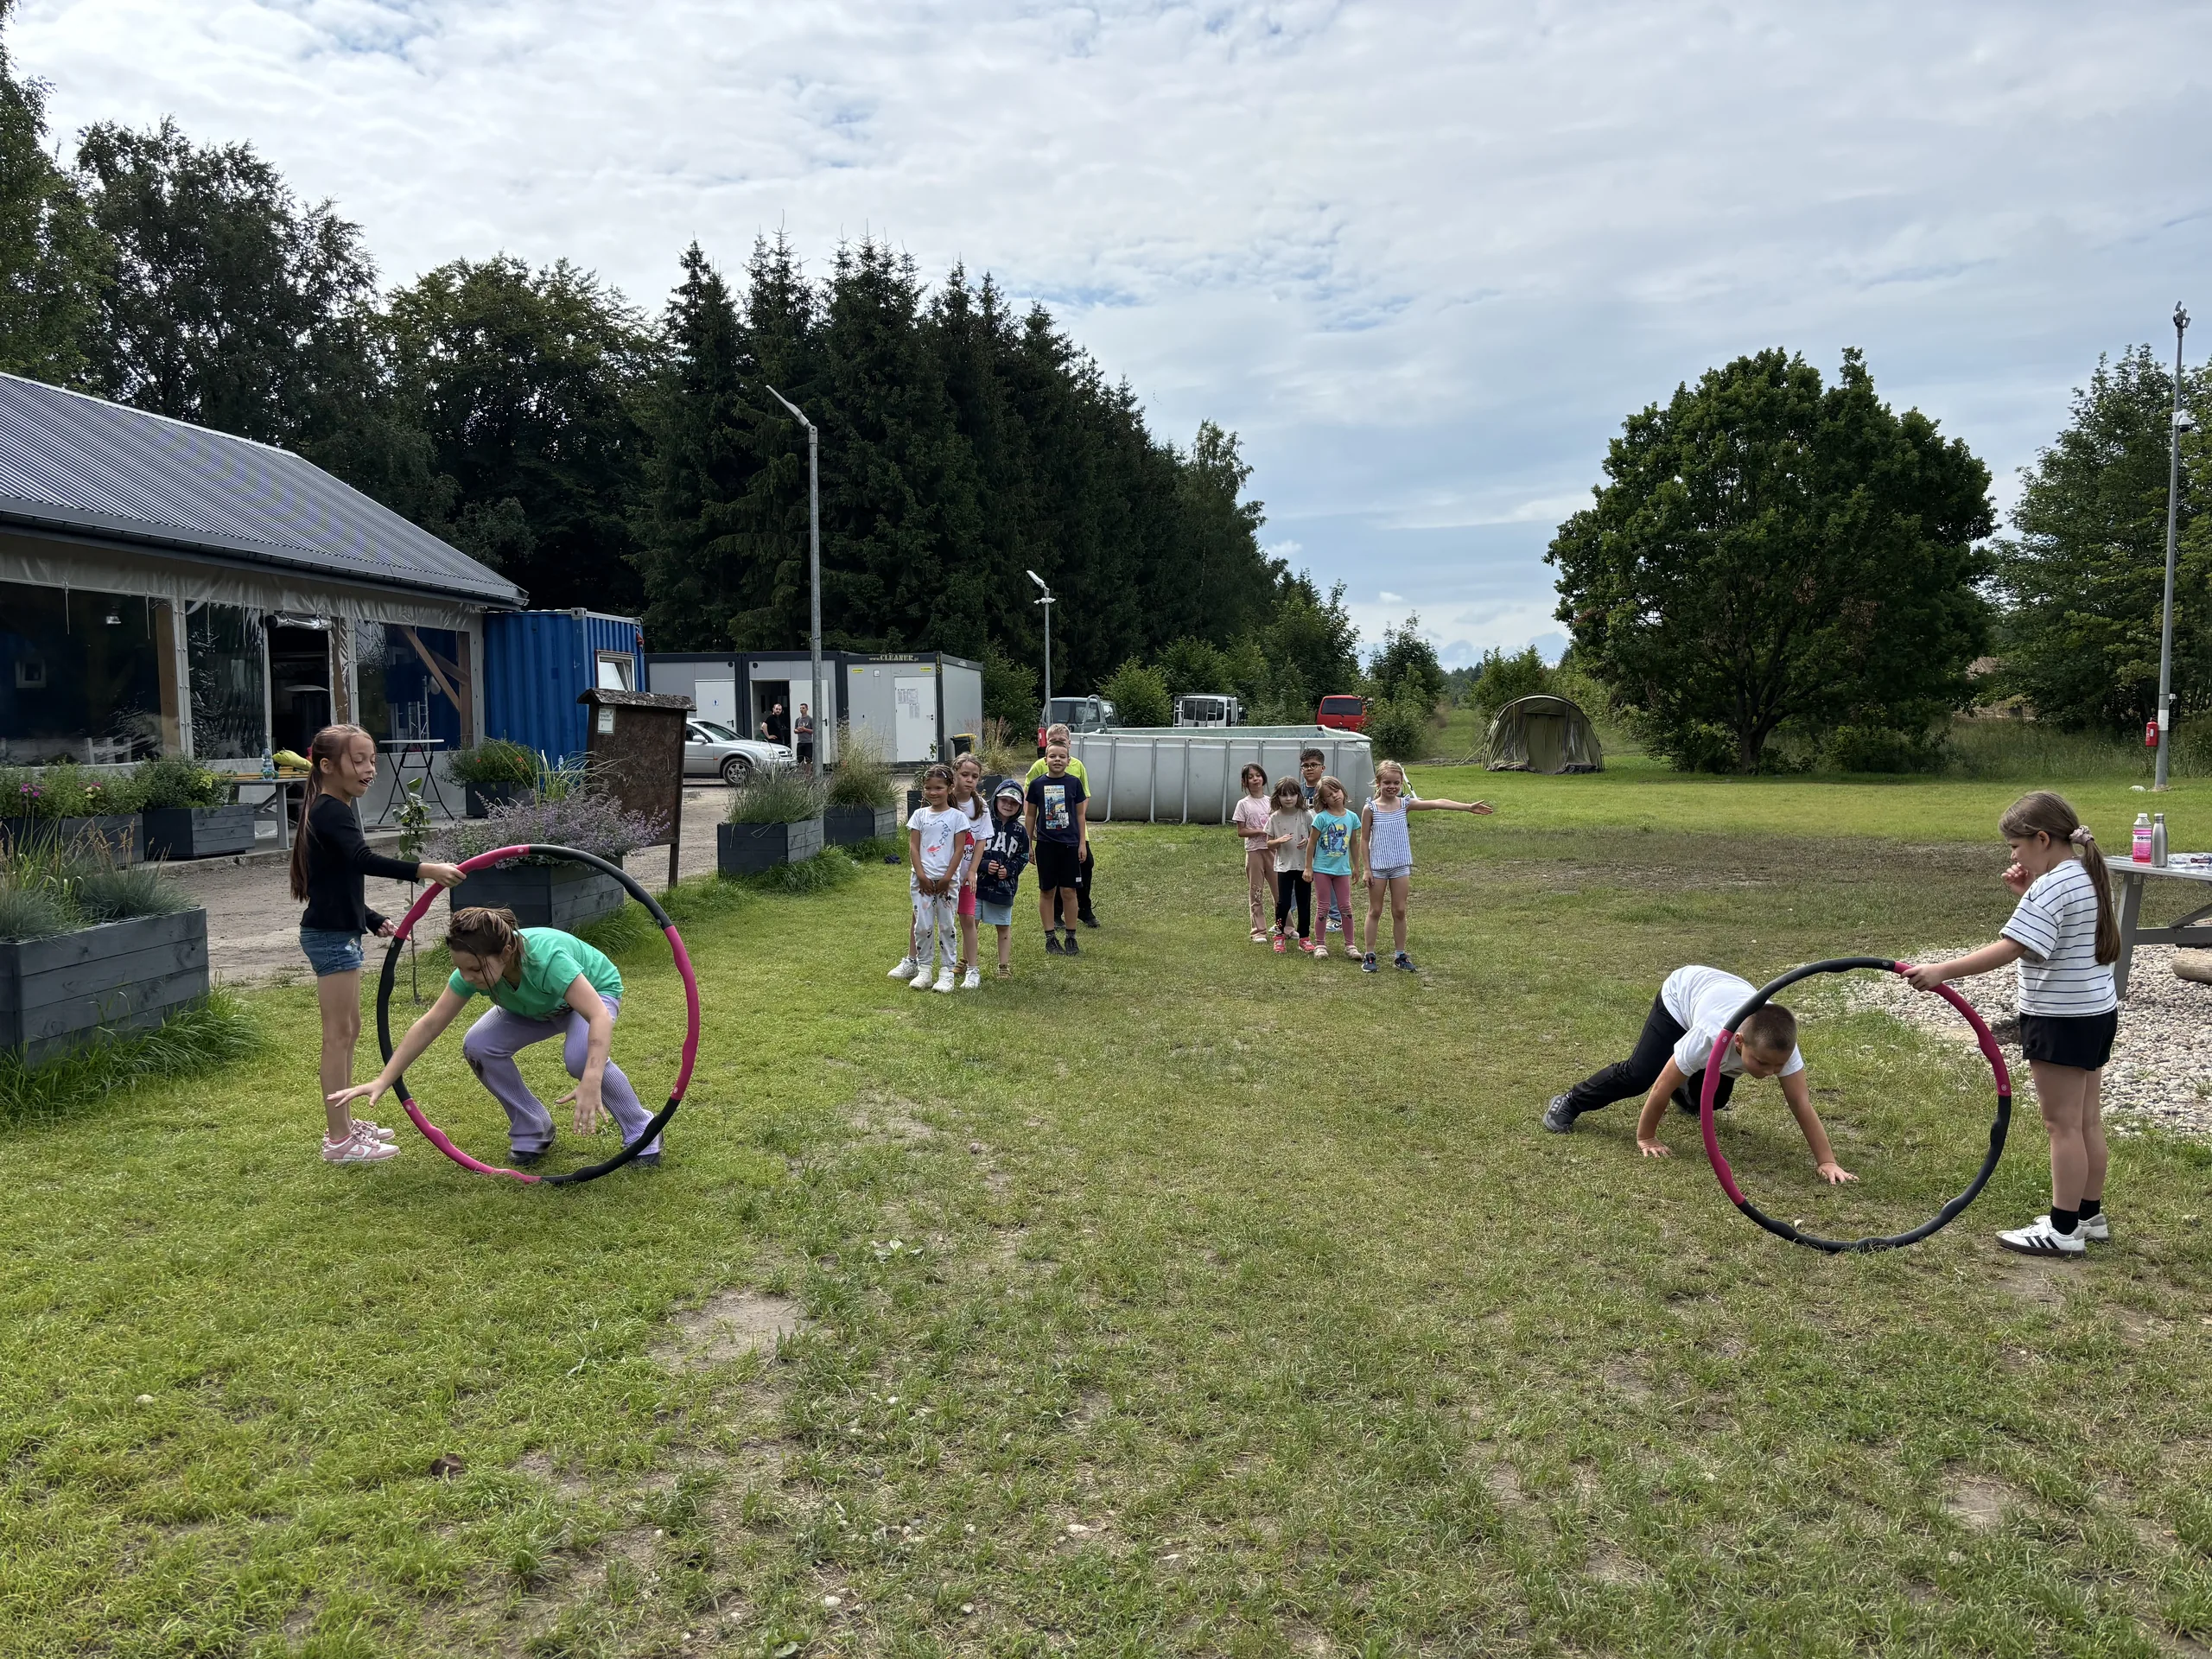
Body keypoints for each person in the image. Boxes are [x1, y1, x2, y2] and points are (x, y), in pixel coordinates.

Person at [1904, 791, 2120, 1256]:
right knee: (2084, 1122)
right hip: (2095, 1013)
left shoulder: (2052, 886)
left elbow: (2011, 948)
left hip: (2060, 1019)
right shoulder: (2084, 875)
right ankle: (2088, 1217)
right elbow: (2056, 935)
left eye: (2016, 845)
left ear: (2042, 839)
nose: (2013, 855)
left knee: (2061, 1125)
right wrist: (2026, 897)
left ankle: (2062, 1232)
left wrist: (1942, 971)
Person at [329, 906, 664, 1169]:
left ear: (505, 953)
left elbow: (598, 1016)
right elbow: (430, 1024)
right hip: (533, 1006)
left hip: (591, 996)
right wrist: (384, 1079)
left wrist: (591, 1078)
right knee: (479, 1045)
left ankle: (641, 1128)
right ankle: (533, 1127)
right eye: (461, 968)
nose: (468, 977)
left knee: (580, 1057)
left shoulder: (547, 960)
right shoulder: (472, 972)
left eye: (476, 969)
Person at [289, 722, 465, 1166]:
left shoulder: (334, 807)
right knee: (338, 1036)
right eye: (359, 760)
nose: (369, 769)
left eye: (372, 760)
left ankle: (345, 1125)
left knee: (350, 1032)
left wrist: (368, 917)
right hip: (329, 938)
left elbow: (336, 880)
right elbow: (362, 861)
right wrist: (426, 870)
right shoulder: (331, 809)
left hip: (338, 931)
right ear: (327, 766)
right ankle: (338, 1140)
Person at [1541, 964, 1857, 1185]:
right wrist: (1646, 1136)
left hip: (1724, 999)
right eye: (1763, 1064)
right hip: (1683, 995)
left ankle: (1688, 1084)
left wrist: (1826, 1161)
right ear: (1738, 1042)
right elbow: (1660, 1088)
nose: (1773, 1072)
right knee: (1642, 1074)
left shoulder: (1780, 1048)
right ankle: (1570, 1101)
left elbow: (1801, 1104)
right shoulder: (1707, 1036)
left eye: (1777, 1066)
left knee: (1713, 1101)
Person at [1358, 759, 1491, 972]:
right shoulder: (1370, 808)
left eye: (1396, 782)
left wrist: (1468, 807)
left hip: (1400, 865)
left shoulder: (1405, 804)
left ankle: (1400, 955)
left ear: (1401, 783)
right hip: (1378, 867)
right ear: (1378, 783)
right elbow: (1363, 840)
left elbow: (1437, 802)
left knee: (1400, 910)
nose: (1391, 787)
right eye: (1387, 783)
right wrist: (1367, 868)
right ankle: (1370, 954)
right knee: (1375, 910)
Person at [890, 764, 972, 993]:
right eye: (928, 788)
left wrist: (947, 878)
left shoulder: (957, 818)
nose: (933, 793)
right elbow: (914, 848)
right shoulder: (919, 815)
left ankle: (947, 973)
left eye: (938, 788)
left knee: (946, 925)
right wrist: (922, 876)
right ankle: (924, 970)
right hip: (921, 882)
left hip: (948, 882)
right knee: (922, 925)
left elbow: (958, 850)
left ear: (950, 788)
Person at [1026, 723, 1098, 926]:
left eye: (1062, 745)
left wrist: (1080, 828)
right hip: (1048, 834)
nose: (1057, 758)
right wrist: (1031, 834)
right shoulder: (1040, 769)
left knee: (1085, 866)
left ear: (1069, 746)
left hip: (1073, 831)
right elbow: (1030, 801)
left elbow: (1085, 797)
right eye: (1051, 746)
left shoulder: (1077, 768)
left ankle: (1084, 909)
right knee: (1052, 878)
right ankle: (1056, 914)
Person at [974, 779, 1032, 977]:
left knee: (1003, 927)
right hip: (978, 884)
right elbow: (971, 849)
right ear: (996, 800)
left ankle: (1004, 966)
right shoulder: (983, 822)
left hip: (1003, 887)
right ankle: (966, 961)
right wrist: (982, 865)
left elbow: (1023, 856)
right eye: (1004, 800)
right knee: (971, 922)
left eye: (1013, 802)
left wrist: (1009, 870)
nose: (1008, 805)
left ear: (1019, 806)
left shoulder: (1020, 831)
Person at [1305, 775, 1362, 960]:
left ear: (1343, 791)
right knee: (1323, 907)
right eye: (1329, 795)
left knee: (1346, 907)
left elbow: (1354, 843)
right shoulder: (1321, 818)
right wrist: (1308, 868)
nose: (1335, 796)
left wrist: (1356, 866)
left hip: (1342, 870)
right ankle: (1320, 944)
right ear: (1323, 800)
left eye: (1336, 791)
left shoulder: (1352, 817)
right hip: (1322, 869)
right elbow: (1311, 843)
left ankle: (1350, 945)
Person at [949, 753, 990, 989]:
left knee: (968, 918)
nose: (970, 780)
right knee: (940, 919)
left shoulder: (980, 806)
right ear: (954, 775)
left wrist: (973, 871)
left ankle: (972, 970)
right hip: (943, 874)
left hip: (966, 875)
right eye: (964, 774)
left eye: (975, 776)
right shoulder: (945, 800)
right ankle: (930, 964)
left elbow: (982, 840)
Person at [1266, 775, 1313, 955]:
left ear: (1298, 796)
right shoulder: (1274, 818)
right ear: (1277, 797)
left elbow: (1314, 838)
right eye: (1284, 795)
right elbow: (1268, 843)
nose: (1288, 799)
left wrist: (1307, 841)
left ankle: (1305, 938)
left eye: (1292, 795)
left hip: (1304, 866)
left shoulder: (1306, 815)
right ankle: (1279, 936)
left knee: (1304, 903)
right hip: (1284, 866)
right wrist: (1279, 840)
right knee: (1283, 903)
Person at [1230, 762, 1274, 943]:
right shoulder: (1243, 804)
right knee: (1256, 891)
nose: (1255, 779)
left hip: (1273, 850)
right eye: (1250, 777)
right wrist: (1260, 831)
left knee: (1280, 892)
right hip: (1255, 852)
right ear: (1245, 782)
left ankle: (1286, 927)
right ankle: (1259, 931)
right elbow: (1241, 831)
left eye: (1258, 775)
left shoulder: (1272, 801)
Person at [794, 702, 815, 767]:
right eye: (800, 708)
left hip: (808, 742)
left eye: (803, 708)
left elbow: (813, 731)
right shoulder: (798, 720)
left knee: (809, 760)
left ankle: (808, 775)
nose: (802, 709)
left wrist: (805, 729)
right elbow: (795, 730)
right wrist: (799, 730)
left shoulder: (810, 719)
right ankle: (802, 775)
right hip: (800, 742)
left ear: (807, 709)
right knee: (800, 760)